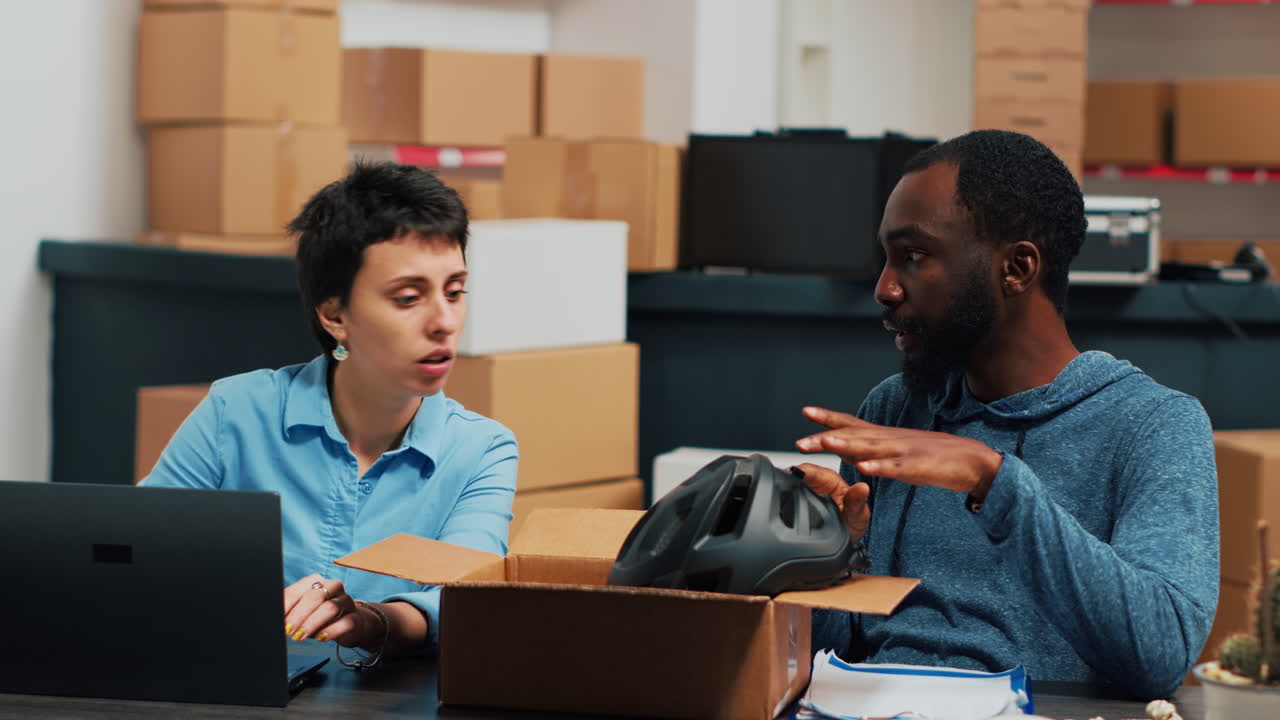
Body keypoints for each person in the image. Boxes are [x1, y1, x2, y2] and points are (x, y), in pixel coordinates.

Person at [792, 130, 1218, 700]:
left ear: (1017, 268)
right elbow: (841, 652)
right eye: (887, 259)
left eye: (914, 256)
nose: (885, 288)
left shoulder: (1153, 425)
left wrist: (993, 480)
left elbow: (1160, 654)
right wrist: (826, 562)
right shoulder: (895, 409)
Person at [142, 162, 518, 664]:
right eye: (409, 298)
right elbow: (141, 556)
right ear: (335, 315)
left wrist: (370, 620)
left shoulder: (482, 449)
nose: (445, 322)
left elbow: (467, 599)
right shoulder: (236, 412)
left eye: (454, 292)